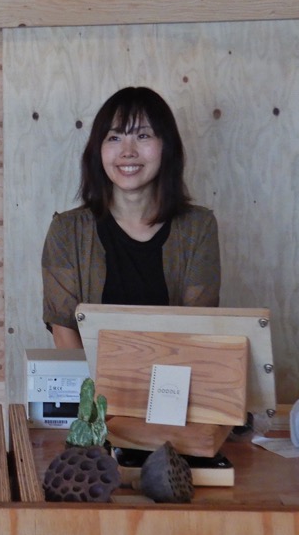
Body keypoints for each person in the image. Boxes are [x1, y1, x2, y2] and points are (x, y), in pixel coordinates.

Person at [41, 86, 220, 349]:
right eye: (114, 137)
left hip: (175, 373)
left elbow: (197, 330)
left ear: (166, 146)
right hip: (89, 376)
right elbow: (64, 331)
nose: (128, 151)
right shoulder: (67, 230)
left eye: (143, 135)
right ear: (98, 149)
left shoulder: (198, 227)